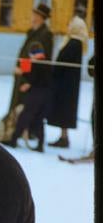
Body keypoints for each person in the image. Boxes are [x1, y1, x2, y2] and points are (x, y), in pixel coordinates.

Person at [8, 0, 54, 150]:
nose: (32, 17)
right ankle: (38, 143)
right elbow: (29, 56)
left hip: (37, 79)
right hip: (31, 78)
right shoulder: (34, 32)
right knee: (34, 112)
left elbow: (39, 60)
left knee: (28, 111)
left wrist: (27, 78)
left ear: (41, 17)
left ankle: (14, 138)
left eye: (35, 14)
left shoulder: (45, 35)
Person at [47, 10, 89, 148]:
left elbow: (62, 62)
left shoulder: (73, 43)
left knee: (63, 112)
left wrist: (53, 73)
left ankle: (64, 138)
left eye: (71, 24)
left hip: (65, 85)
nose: (69, 26)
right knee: (64, 112)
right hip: (68, 84)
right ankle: (63, 136)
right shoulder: (76, 43)